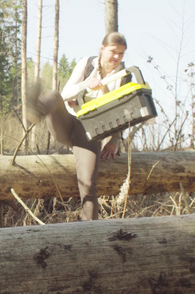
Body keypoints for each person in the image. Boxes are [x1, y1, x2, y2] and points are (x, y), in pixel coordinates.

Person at [27, 32, 129, 221]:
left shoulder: (122, 76)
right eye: (113, 52)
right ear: (102, 49)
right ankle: (36, 109)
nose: (116, 57)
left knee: (88, 184)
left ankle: (87, 227)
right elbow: (66, 93)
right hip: (67, 124)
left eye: (121, 54)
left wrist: (114, 141)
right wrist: (86, 85)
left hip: (90, 131)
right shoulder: (86, 63)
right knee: (54, 97)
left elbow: (121, 113)